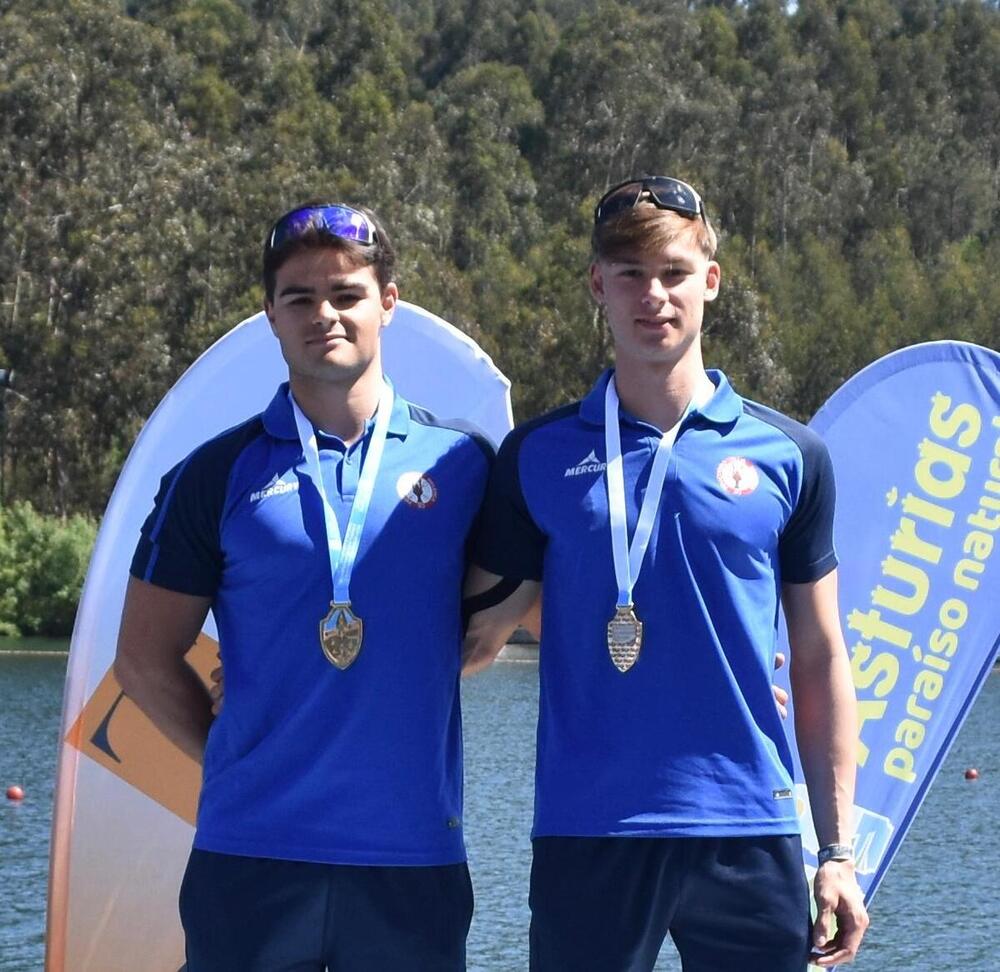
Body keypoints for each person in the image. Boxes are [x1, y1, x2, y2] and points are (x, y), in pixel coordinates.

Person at [463, 175, 869, 970]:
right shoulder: (537, 456)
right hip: (591, 833)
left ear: (710, 281)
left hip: (748, 829)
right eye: (631, 275)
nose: (655, 296)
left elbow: (821, 657)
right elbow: (476, 635)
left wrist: (839, 853)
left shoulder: (790, 456)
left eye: (675, 273)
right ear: (598, 287)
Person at [114, 202, 493, 971]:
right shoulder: (212, 476)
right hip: (250, 855)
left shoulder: (465, 467)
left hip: (410, 858)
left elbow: (539, 615)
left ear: (389, 304)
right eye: (299, 298)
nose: (325, 313)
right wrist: (228, 755)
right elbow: (144, 659)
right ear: (271, 316)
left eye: (347, 293)